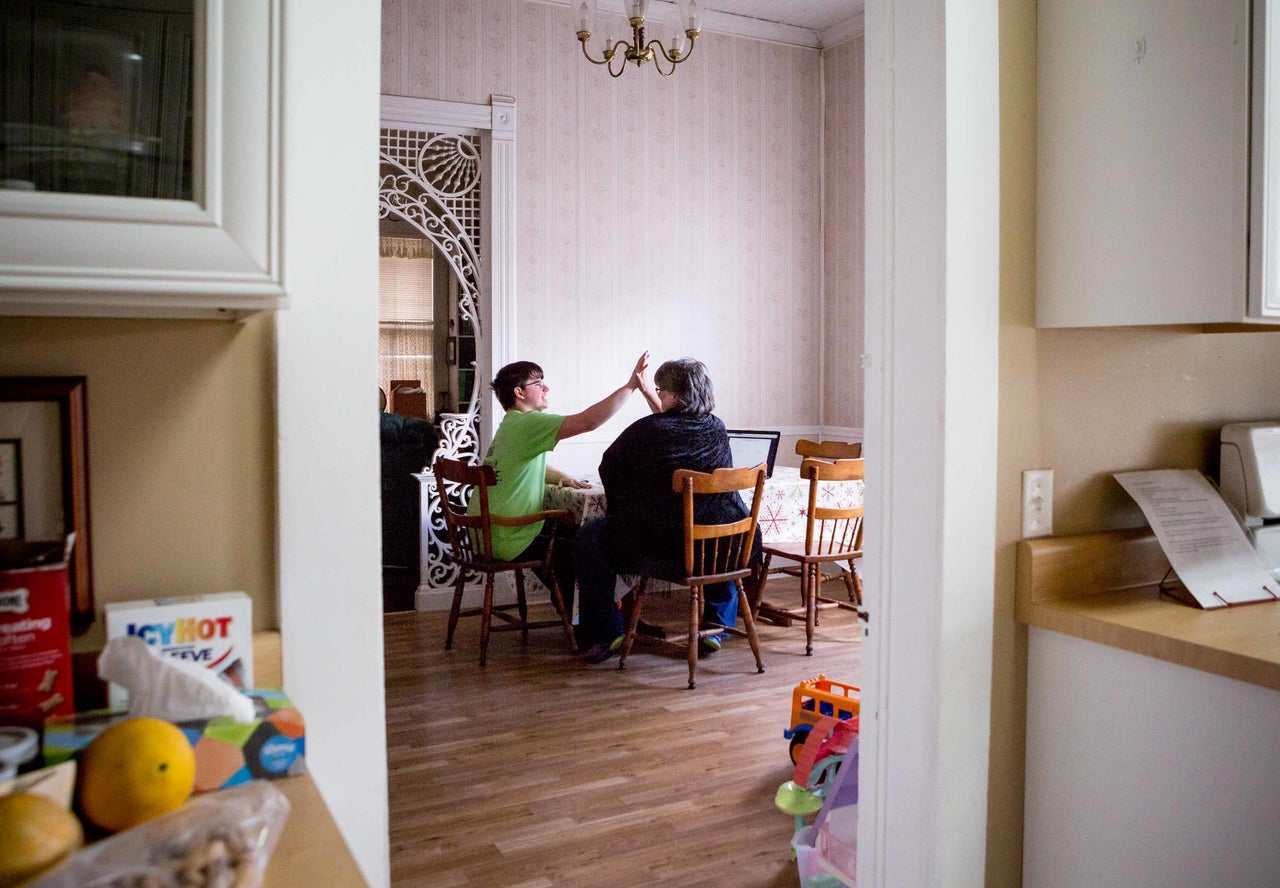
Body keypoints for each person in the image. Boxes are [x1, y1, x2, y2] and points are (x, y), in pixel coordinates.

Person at [574, 358, 757, 663]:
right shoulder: (716, 427)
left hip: (667, 548)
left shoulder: (647, 430)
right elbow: (676, 429)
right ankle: (716, 625)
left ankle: (607, 632)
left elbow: (610, 469)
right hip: (725, 547)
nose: (658, 395)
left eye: (660, 391)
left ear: (672, 396)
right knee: (720, 526)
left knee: (588, 538)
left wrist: (627, 509)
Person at [473, 352, 654, 616]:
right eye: (539, 383)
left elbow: (525, 464)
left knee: (570, 533)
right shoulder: (528, 423)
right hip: (508, 536)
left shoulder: (510, 425)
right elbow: (589, 421)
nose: (546, 388)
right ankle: (601, 624)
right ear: (519, 392)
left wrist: (562, 478)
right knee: (588, 548)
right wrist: (630, 387)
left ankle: (583, 615)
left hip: (486, 534)